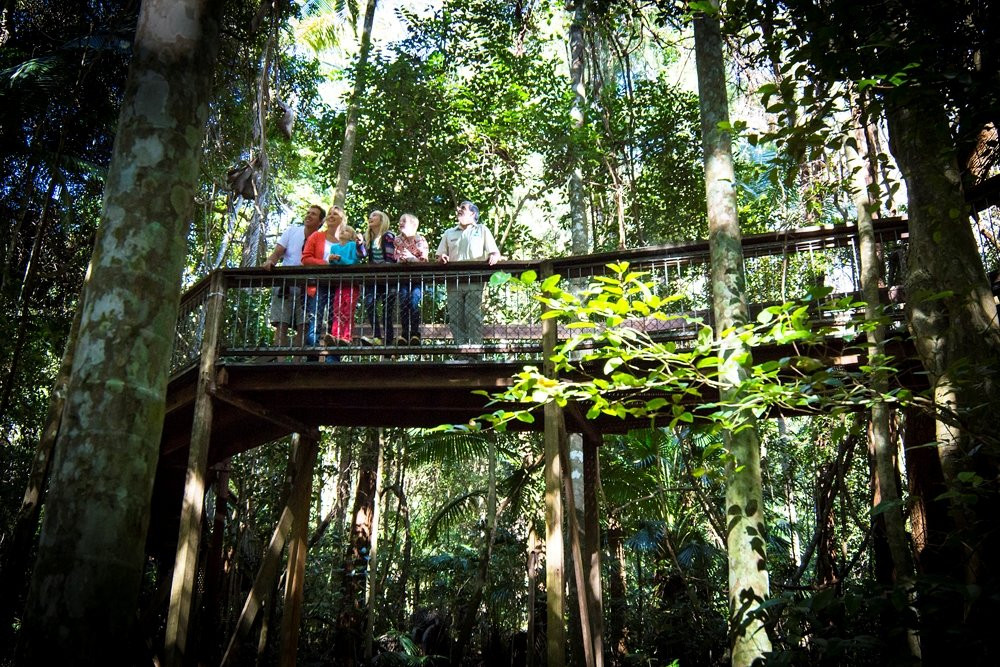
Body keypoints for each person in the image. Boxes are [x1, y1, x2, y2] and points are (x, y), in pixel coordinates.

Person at [260, 204, 325, 353]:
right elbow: (277, 252)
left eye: (313, 214)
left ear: (321, 221)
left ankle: (297, 360)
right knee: (281, 323)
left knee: (304, 325)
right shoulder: (292, 231)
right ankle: (280, 360)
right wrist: (270, 261)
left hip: (308, 287)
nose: (309, 215)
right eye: (308, 212)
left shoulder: (321, 239)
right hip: (286, 284)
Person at [436, 200, 501, 345]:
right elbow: (440, 255)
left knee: (472, 315)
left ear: (473, 213)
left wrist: (494, 256)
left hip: (475, 280)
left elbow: (495, 252)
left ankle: (475, 349)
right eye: (459, 207)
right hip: (454, 281)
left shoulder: (482, 230)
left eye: (463, 208)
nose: (459, 209)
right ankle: (461, 350)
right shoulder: (449, 233)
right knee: (455, 317)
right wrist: (442, 257)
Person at [303, 209, 365, 347]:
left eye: (335, 214)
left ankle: (337, 348)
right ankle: (312, 355)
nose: (331, 216)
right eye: (329, 213)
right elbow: (306, 258)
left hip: (342, 284)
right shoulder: (317, 236)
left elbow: (359, 255)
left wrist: (359, 244)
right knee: (316, 319)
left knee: (342, 312)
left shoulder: (350, 243)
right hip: (320, 284)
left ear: (343, 219)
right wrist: (327, 262)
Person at [360, 210, 397, 345]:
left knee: (387, 310)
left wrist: (386, 269)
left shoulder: (388, 236)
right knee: (369, 304)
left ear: (382, 220)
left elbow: (391, 258)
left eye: (374, 215)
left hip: (388, 278)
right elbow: (363, 255)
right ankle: (376, 336)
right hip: (373, 278)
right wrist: (360, 244)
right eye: (370, 216)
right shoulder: (368, 237)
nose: (370, 217)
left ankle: (388, 340)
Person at [394, 213, 429, 345]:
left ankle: (415, 333)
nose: (400, 223)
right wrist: (401, 259)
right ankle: (404, 334)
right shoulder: (397, 240)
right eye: (400, 221)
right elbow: (395, 257)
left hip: (417, 277)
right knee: (403, 302)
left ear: (413, 225)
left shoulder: (420, 240)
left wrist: (411, 258)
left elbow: (424, 260)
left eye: (404, 221)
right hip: (403, 277)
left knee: (414, 301)